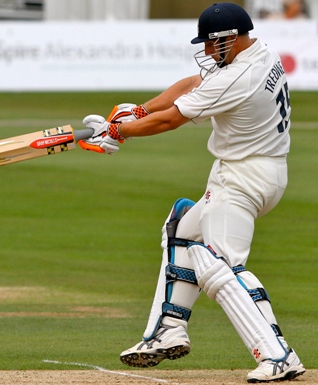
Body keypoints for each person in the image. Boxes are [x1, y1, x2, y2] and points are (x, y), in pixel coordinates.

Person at [79, 3, 305, 383]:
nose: (206, 51)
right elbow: (191, 85)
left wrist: (117, 132)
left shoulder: (238, 78)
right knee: (182, 231)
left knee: (219, 264)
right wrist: (136, 111)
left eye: (210, 43)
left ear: (229, 39)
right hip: (258, 171)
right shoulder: (259, 53)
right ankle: (168, 330)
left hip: (243, 178)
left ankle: (278, 355)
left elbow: (170, 120)